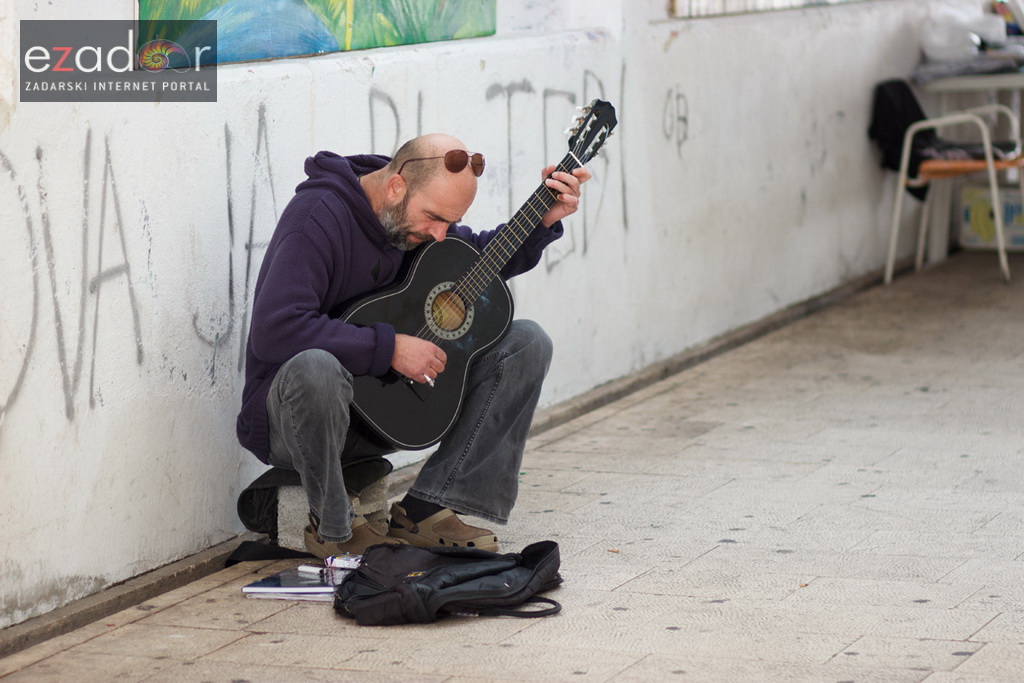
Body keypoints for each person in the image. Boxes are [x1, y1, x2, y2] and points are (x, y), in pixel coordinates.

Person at [236, 133, 590, 558]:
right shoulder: (317, 217)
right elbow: (276, 329)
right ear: (396, 186)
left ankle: (429, 508)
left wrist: (541, 221)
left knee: (526, 342)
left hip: (383, 412)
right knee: (316, 366)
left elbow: (471, 264)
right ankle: (333, 528)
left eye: (450, 222)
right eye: (434, 218)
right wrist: (388, 350)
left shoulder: (415, 224)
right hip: (295, 419)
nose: (441, 235)